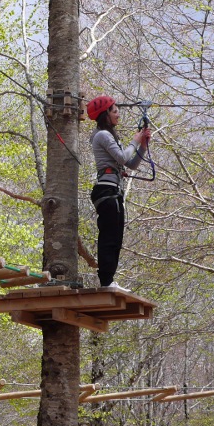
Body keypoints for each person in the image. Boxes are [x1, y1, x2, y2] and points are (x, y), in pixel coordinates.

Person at [86, 95, 152, 288]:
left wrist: (143, 147)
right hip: (106, 191)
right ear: (105, 114)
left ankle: (109, 280)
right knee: (109, 237)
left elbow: (131, 164)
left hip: (112, 191)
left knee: (115, 238)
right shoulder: (102, 135)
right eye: (114, 111)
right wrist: (135, 140)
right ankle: (106, 281)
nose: (118, 114)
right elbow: (123, 158)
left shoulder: (109, 136)